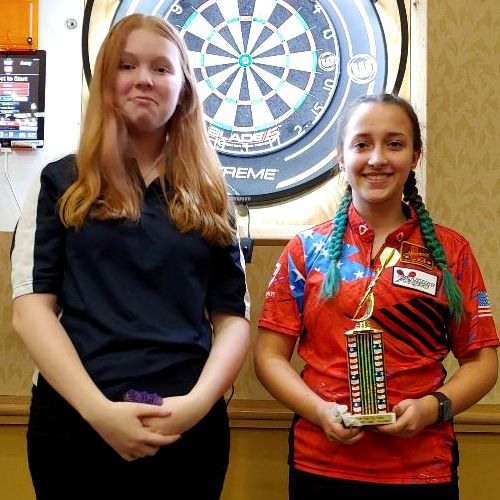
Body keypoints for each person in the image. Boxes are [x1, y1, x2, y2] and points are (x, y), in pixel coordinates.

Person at [11, 14, 250, 500]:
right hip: (76, 427)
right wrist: (97, 411)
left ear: (183, 89)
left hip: (187, 431)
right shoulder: (60, 182)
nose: (144, 79)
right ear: (105, 80)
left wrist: (195, 405)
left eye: (161, 68)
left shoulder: (212, 195)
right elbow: (31, 310)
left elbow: (232, 320)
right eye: (127, 65)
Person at [255, 93, 498, 500]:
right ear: (341, 157)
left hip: (423, 467)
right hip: (321, 462)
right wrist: (320, 412)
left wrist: (433, 408)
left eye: (395, 144)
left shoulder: (452, 252)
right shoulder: (305, 249)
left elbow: (482, 362)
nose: (377, 158)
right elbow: (268, 356)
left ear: (415, 156)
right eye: (362, 144)